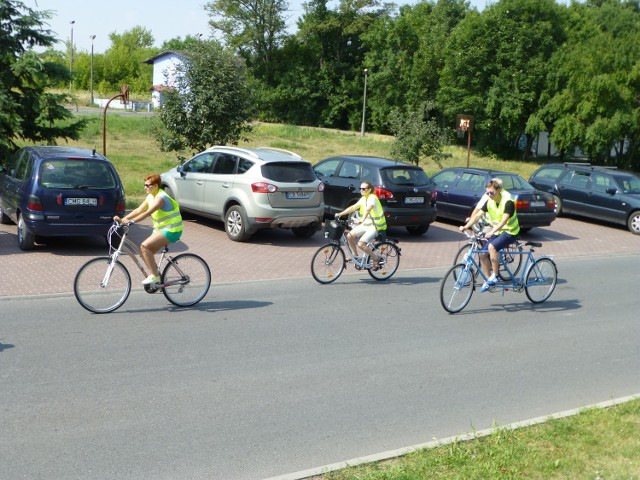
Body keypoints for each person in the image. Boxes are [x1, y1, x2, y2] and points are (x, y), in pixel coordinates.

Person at [114, 173, 183, 285]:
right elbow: (138, 210)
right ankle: (158, 279)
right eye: (144, 185)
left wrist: (132, 221)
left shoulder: (161, 198)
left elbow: (147, 213)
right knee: (145, 253)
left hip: (172, 230)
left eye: (147, 185)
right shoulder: (151, 196)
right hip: (161, 229)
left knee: (144, 246)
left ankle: (155, 276)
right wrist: (123, 219)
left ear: (156, 186)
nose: (145, 187)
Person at [459, 178, 520, 292]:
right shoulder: (489, 201)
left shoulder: (508, 202)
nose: (489, 195)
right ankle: (489, 281)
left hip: (510, 231)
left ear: (499, 190)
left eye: (491, 192)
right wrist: (466, 226)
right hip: (497, 231)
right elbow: (477, 216)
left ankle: (495, 276)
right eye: (487, 192)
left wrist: (491, 232)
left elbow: (504, 221)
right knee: (482, 254)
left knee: (492, 247)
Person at [335, 181, 387, 270]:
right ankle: (355, 256)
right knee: (349, 236)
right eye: (360, 188)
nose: (361, 190)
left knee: (361, 243)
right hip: (366, 224)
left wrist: (361, 219)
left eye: (363, 189)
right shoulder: (363, 198)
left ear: (369, 190)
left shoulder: (372, 198)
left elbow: (368, 209)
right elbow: (353, 207)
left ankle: (375, 258)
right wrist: (340, 214)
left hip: (375, 226)